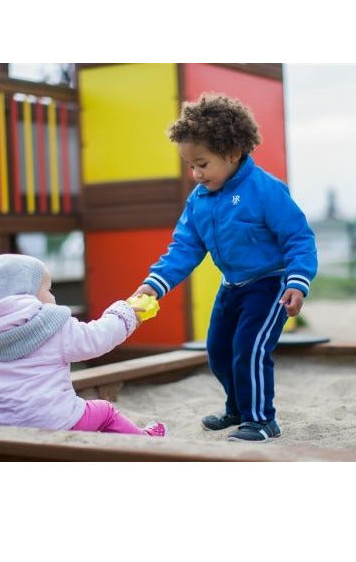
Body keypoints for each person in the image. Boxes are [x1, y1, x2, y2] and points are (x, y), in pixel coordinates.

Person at [133, 93, 317, 442]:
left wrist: (298, 281)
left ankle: (262, 419)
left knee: (250, 348)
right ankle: (237, 408)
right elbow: (185, 246)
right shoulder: (199, 199)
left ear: (232, 153)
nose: (195, 174)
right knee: (218, 350)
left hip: (270, 285)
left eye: (202, 164)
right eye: (190, 165)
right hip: (232, 285)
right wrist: (154, 284)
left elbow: (298, 237)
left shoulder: (265, 190)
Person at [0, 254, 167, 437]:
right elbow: (96, 338)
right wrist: (125, 314)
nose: (53, 296)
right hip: (61, 422)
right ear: (25, 294)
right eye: (48, 289)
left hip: (5, 430)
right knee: (105, 411)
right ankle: (145, 441)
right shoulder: (52, 326)